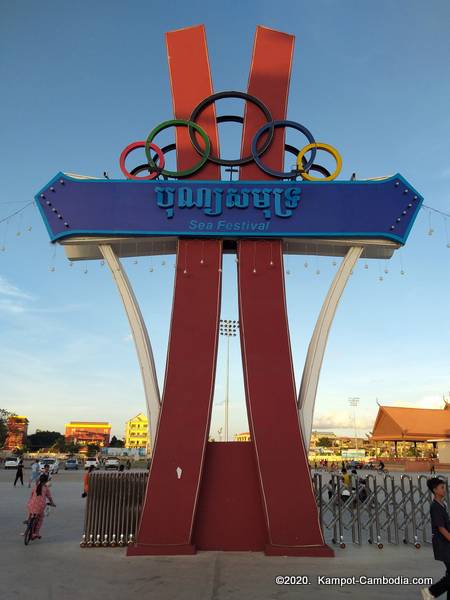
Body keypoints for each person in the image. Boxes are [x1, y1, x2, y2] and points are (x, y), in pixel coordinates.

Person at [421, 477, 450, 599]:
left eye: (444, 487)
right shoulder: (435, 507)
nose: (444, 490)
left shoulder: (442, 504)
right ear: (435, 490)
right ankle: (431, 591)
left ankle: (431, 592)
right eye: (442, 488)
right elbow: (441, 528)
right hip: (443, 545)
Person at [26, 474, 55, 539]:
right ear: (46, 481)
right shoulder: (46, 489)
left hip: (31, 505)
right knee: (40, 519)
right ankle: (36, 533)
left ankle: (27, 528)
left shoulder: (35, 487)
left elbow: (31, 496)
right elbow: (50, 498)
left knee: (30, 515)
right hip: (40, 507)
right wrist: (52, 503)